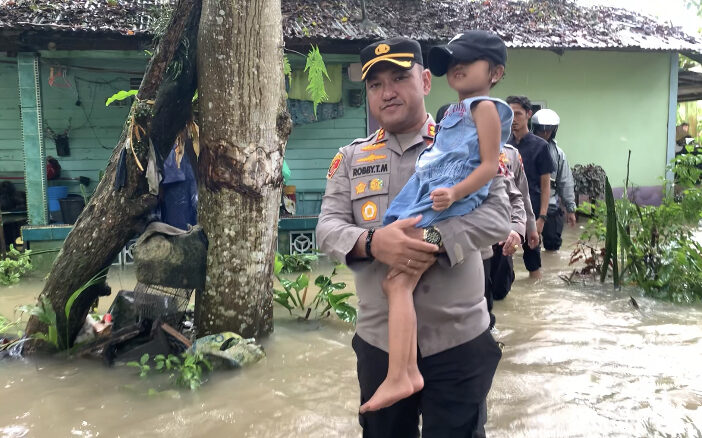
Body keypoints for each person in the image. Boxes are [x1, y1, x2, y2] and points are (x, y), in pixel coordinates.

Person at [316, 36, 512, 436]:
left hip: (458, 341)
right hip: (380, 345)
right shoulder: (351, 158)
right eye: (375, 84)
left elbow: (497, 217)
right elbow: (327, 228)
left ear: (425, 81)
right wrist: (374, 243)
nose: (387, 93)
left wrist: (433, 240)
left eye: (399, 78)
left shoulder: (467, 138)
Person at [484, 144, 535, 318]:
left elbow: (519, 194)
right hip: (468, 245)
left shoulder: (508, 155)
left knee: (500, 291)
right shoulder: (439, 155)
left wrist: (527, 228)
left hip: (502, 237)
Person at [506, 95, 555, 279]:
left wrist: (541, 217)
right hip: (506, 211)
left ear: (528, 114)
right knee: (503, 258)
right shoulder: (504, 146)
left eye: (518, 114)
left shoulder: (540, 146)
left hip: (531, 212)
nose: (513, 119)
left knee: (533, 261)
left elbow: (545, 185)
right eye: (509, 114)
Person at [531, 108, 576, 251]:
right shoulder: (524, 148)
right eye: (542, 130)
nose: (545, 133)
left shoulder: (558, 153)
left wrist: (571, 209)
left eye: (548, 130)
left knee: (553, 245)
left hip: (550, 205)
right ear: (535, 128)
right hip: (528, 205)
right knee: (529, 247)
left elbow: (566, 181)